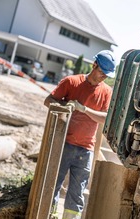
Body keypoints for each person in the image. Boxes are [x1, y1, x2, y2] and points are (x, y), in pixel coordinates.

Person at [44, 50, 116, 219]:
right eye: (101, 72)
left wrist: (84, 109)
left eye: (106, 75)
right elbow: (48, 101)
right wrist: (65, 105)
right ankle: (49, 215)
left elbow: (105, 118)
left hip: (86, 150)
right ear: (94, 65)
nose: (102, 77)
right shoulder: (71, 82)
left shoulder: (106, 92)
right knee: (53, 185)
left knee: (77, 194)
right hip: (63, 144)